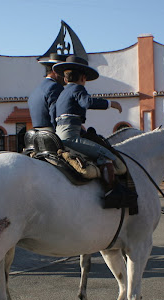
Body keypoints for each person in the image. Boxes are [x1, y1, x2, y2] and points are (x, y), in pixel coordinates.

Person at [52, 55, 123, 206]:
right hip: (70, 136)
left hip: (59, 133)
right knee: (107, 156)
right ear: (83, 78)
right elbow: (86, 102)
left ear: (65, 79)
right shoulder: (78, 88)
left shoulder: (62, 93)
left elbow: (56, 114)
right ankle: (111, 194)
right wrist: (111, 103)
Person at [28, 53, 67, 132]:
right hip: (52, 133)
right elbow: (55, 115)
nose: (66, 76)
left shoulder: (37, 90)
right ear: (55, 71)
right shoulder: (55, 87)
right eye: (63, 72)